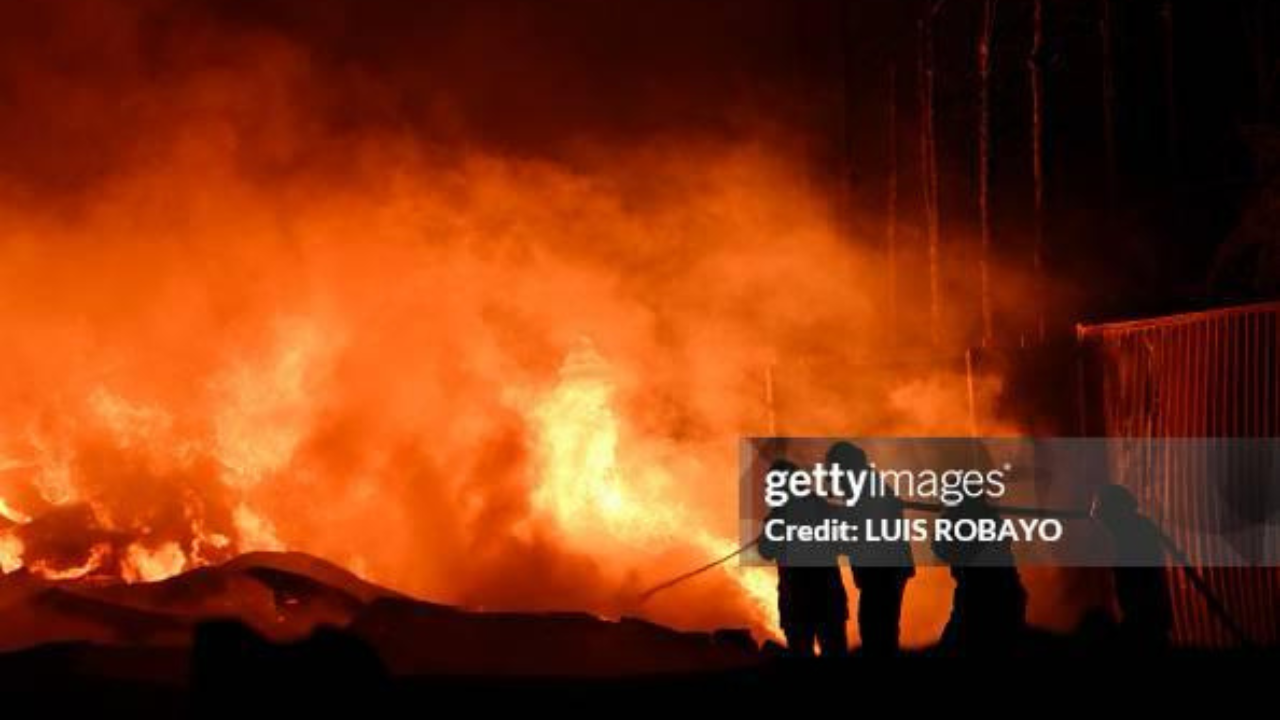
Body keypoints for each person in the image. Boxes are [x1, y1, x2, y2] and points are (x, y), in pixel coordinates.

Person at [827, 441, 914, 656]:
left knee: (877, 629)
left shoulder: (867, 492)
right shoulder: (865, 489)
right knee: (880, 627)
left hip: (883, 572)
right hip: (884, 570)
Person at [757, 458, 849, 657]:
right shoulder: (821, 509)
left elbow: (766, 551)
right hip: (826, 598)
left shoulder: (779, 517)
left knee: (803, 661)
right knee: (834, 655)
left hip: (799, 602)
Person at [932, 495, 1027, 653]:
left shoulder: (983, 523)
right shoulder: (987, 519)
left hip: (989, 597)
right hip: (989, 594)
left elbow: (947, 551)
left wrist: (948, 519)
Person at [1091, 483, 1173, 651]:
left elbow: (1142, 587)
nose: (1104, 526)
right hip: (1148, 619)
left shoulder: (1133, 536)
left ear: (1113, 513)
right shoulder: (1135, 530)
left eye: (1104, 519)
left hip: (1146, 621)